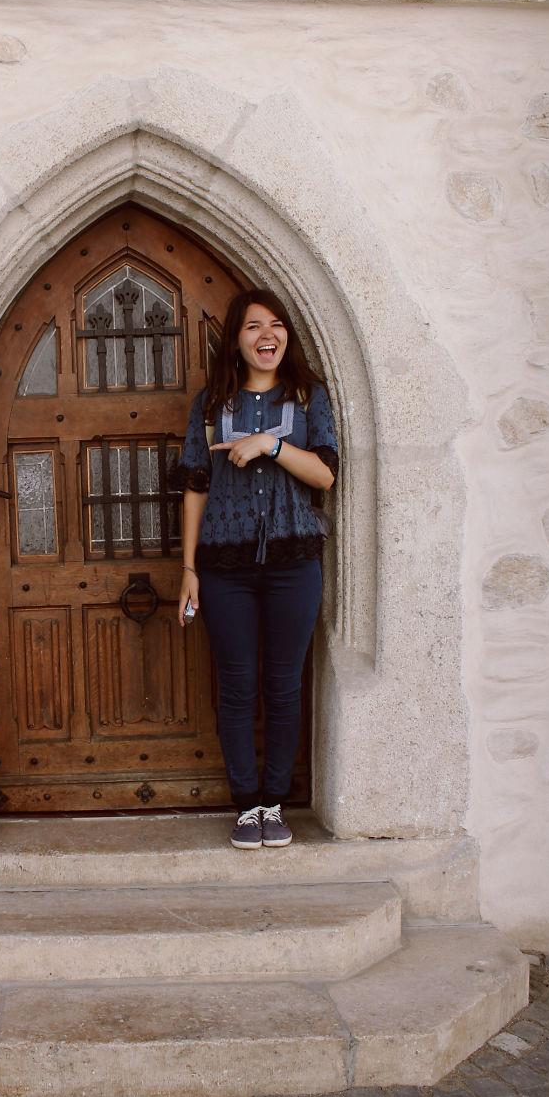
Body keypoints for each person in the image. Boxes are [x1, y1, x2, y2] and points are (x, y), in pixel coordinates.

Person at [174, 289, 338, 849]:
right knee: (239, 688)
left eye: (276, 325)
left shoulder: (309, 398)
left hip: (295, 564)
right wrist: (190, 569)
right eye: (252, 327)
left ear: (286, 336)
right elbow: (196, 487)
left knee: (284, 686)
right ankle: (247, 805)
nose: (267, 335)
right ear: (236, 340)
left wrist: (270, 444)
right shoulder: (212, 404)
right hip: (224, 569)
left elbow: (325, 475)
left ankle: (276, 803)